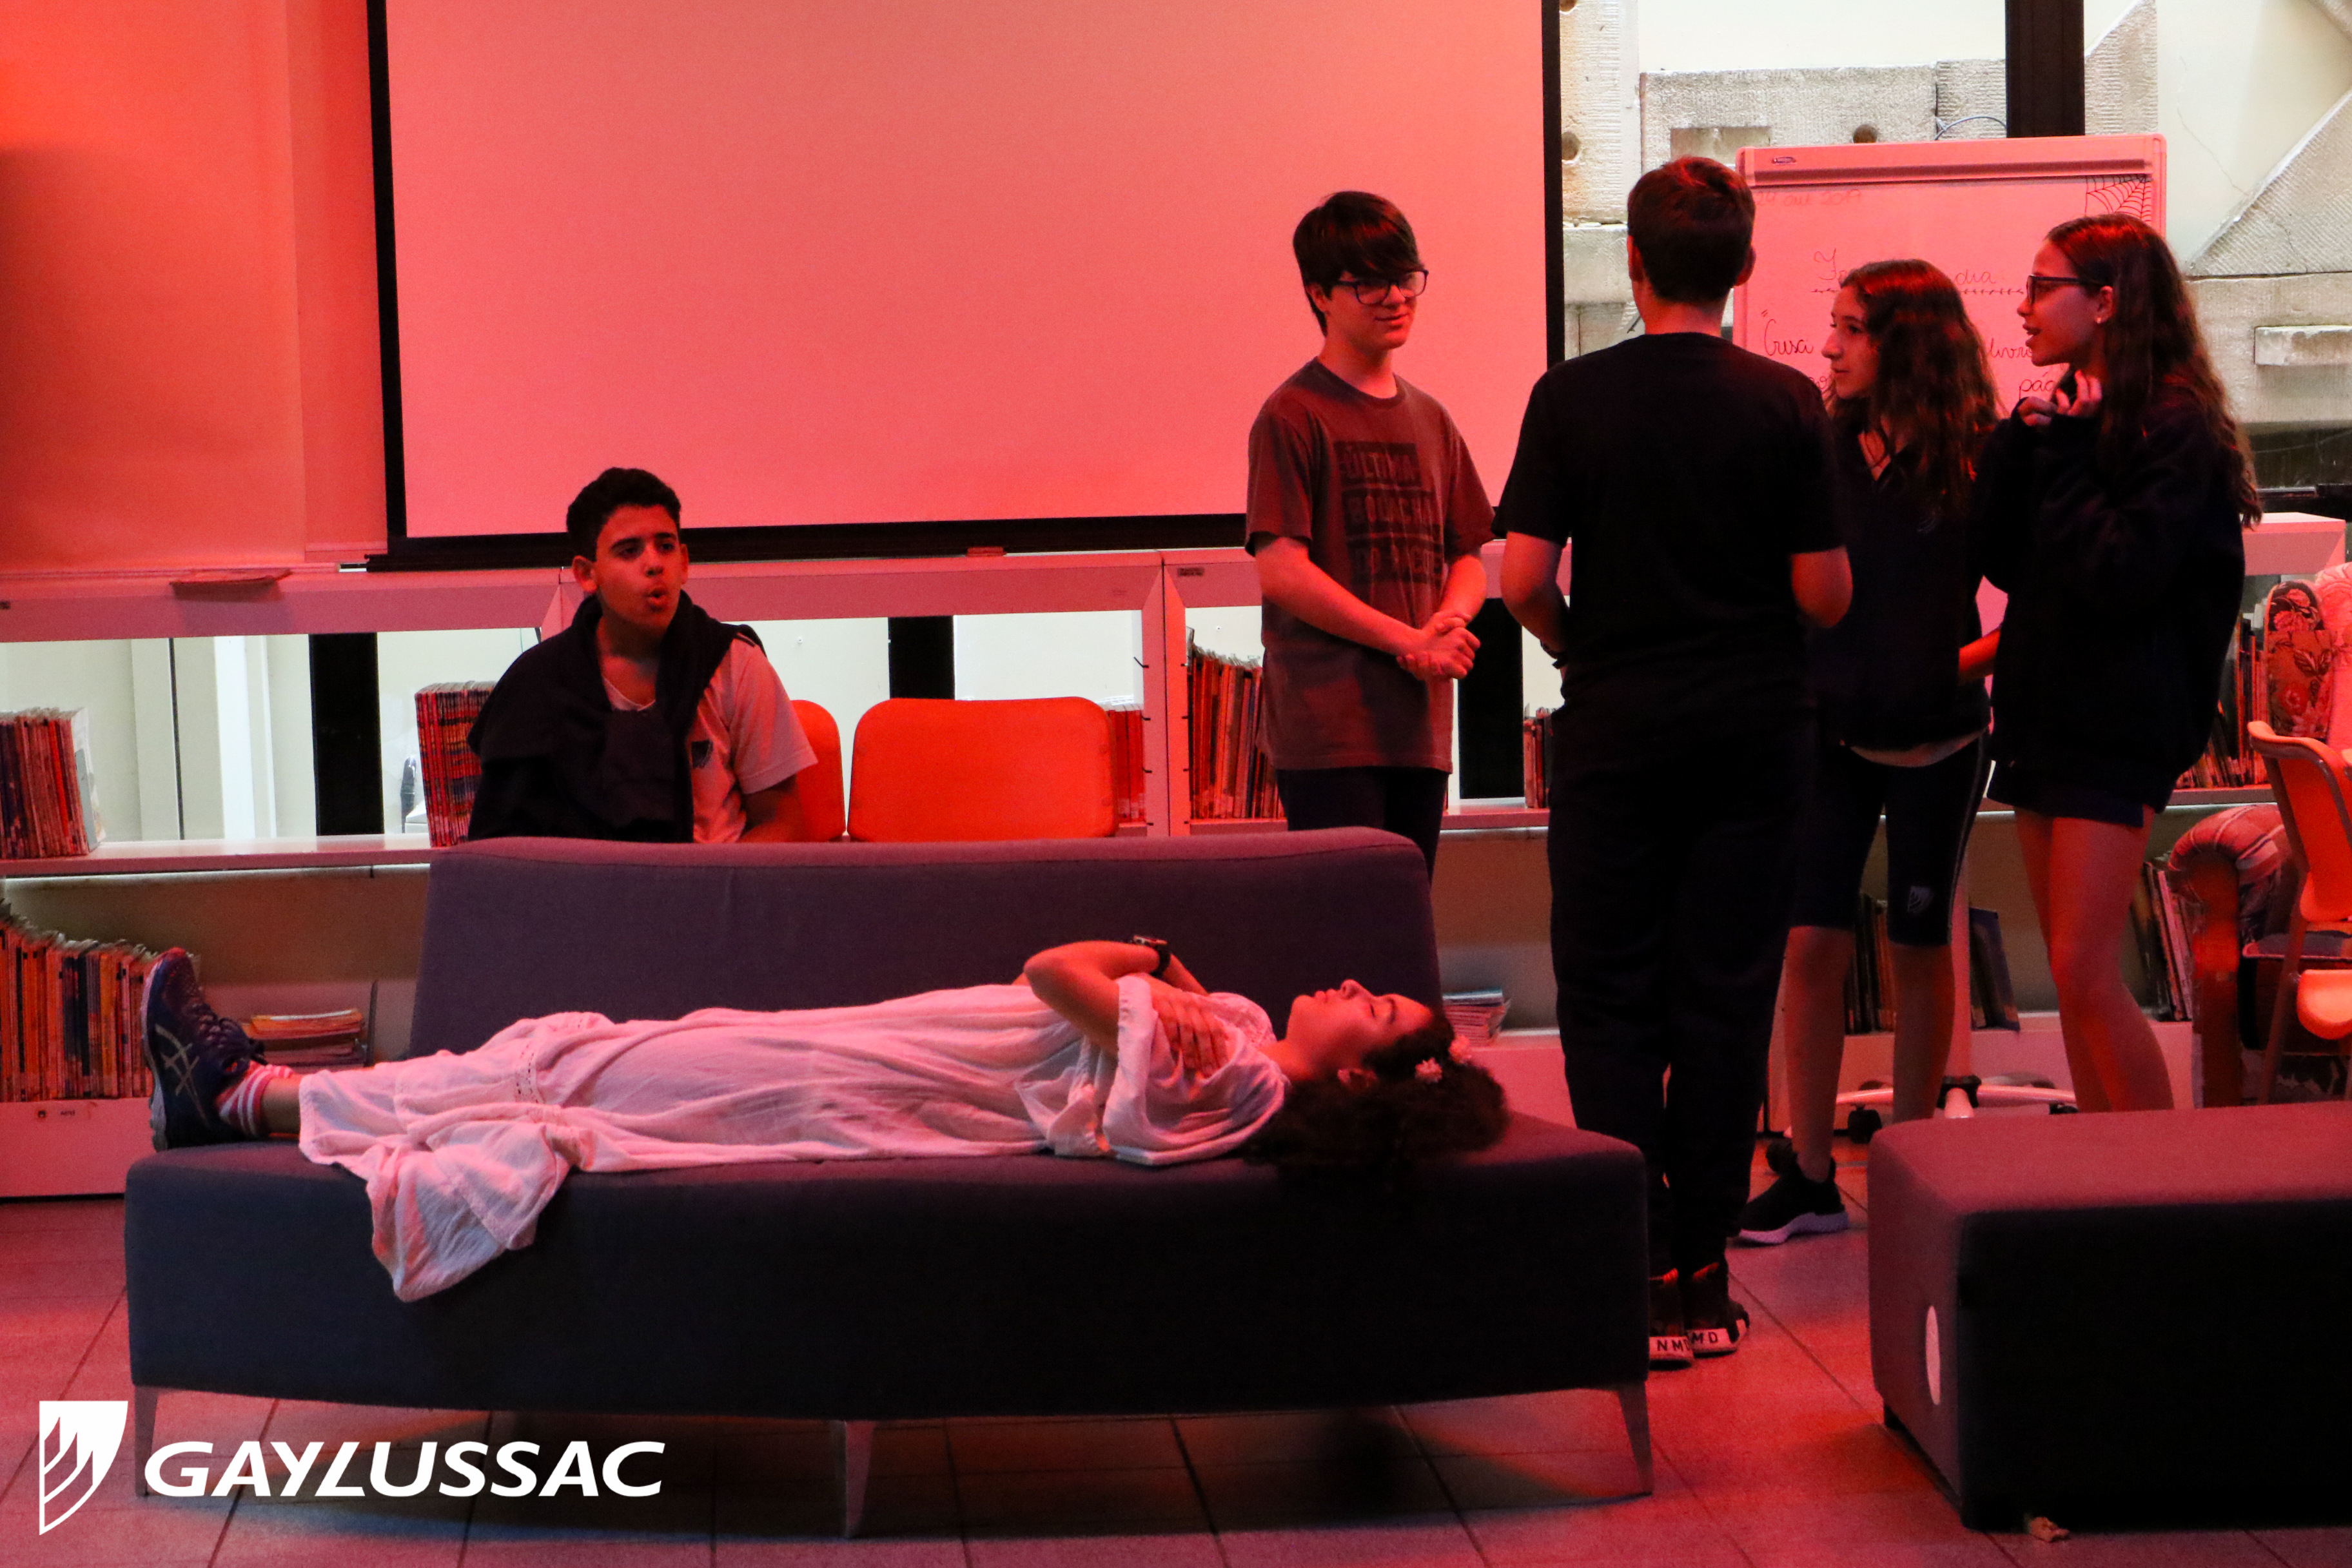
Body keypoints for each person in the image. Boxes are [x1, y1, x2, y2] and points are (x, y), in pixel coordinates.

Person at [141, 941, 1506, 1301]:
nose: (1352, 986)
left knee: (574, 1073)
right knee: (568, 1058)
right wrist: (1160, 973)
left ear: (1360, 1083)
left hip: (887, 1087)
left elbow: (1055, 972)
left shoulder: (1248, 1081)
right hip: (889, 1052)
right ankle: (250, 1089)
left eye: (1375, 1009)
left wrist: (1145, 959)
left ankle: (244, 1095)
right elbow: (1083, 987)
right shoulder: (1241, 1031)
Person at [1497, 157, 1850, 1368]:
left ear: (1633, 263)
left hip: (1617, 730)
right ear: (1742, 268)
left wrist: (1583, 646)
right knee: (1723, 994)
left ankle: (1636, 1266)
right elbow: (1825, 592)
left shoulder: (1570, 397)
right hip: (1755, 733)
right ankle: (1705, 1271)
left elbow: (1522, 581)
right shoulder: (1786, 403)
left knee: (1607, 997)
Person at [1738, 260, 2001, 1246]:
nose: (1830, 348)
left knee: (1919, 947)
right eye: (1835, 326)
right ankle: (1810, 1173)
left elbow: (2043, 596)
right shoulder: (1819, 445)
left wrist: (1947, 668)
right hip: (1829, 736)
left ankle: (1914, 1162)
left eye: (1852, 329)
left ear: (1907, 344)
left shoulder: (1979, 455)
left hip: (1940, 738)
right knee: (1809, 942)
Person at [1973, 212, 2255, 1112]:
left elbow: (2122, 574)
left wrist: (2062, 456)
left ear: (2103, 302)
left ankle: (2152, 1179)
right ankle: (2102, 1175)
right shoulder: (2075, 419)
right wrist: (2020, 445)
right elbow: (2008, 562)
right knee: (2075, 979)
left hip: (2115, 725)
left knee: (2083, 969)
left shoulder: (2173, 424)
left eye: (2040, 286)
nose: (2022, 306)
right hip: (2046, 716)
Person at [1246, 191, 1494, 873]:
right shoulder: (1292, 414)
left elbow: (1468, 554)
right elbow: (1282, 570)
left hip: (1418, 728)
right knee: (1345, 924)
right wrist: (1407, 640)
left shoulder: (1433, 418)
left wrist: (1447, 622)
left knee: (1405, 918)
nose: (1395, 297)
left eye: (1406, 277)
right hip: (1330, 731)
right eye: (1369, 283)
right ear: (1319, 294)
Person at [467, 467, 820, 843]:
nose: (654, 564)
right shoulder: (536, 682)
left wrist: (713, 879)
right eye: (629, 551)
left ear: (684, 562)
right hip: (583, 881)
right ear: (587, 574)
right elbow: (502, 844)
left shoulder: (735, 664)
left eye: (665, 547)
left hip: (714, 877)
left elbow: (781, 821)